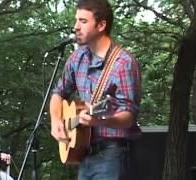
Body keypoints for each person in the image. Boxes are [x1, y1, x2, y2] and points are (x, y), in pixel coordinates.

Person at [49, 0, 141, 179]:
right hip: (84, 153)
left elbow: (129, 116)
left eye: (83, 21)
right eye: (76, 20)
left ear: (101, 25)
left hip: (113, 153)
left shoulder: (123, 63)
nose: (76, 27)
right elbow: (58, 93)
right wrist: (56, 121)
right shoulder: (77, 58)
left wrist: (100, 121)